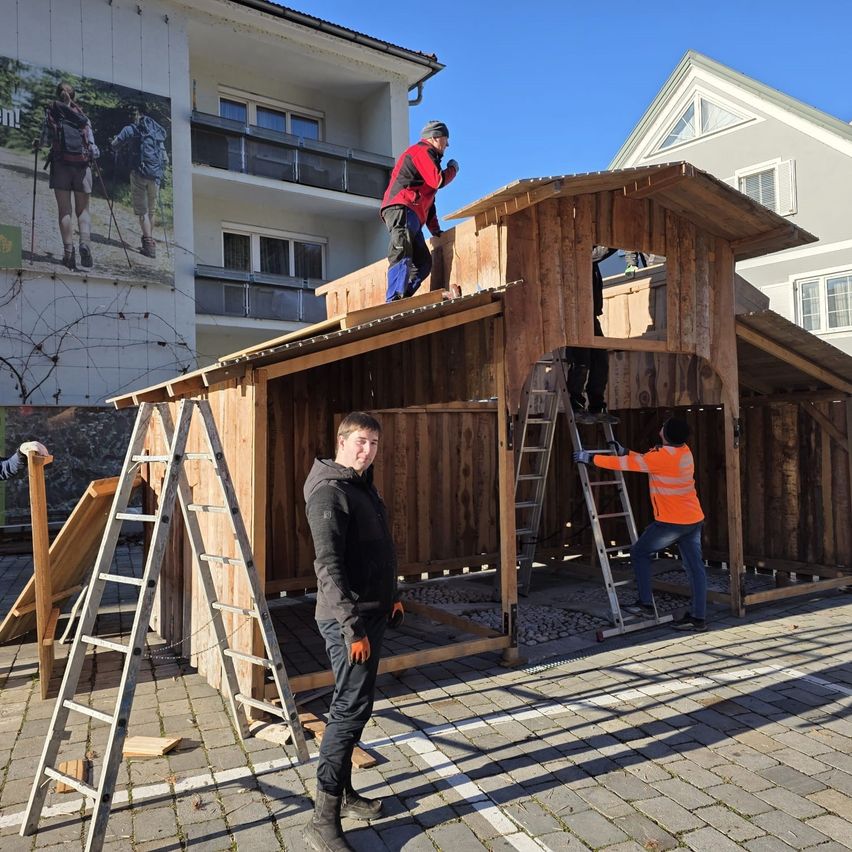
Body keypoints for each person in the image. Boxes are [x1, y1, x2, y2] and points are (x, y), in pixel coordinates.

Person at [303, 412, 404, 852]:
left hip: (372, 612)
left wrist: (391, 594)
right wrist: (352, 627)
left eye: (375, 443)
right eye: (361, 442)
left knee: (357, 706)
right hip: (350, 622)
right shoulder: (330, 492)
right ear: (341, 441)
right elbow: (328, 567)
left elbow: (375, 548)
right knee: (348, 711)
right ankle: (322, 822)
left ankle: (344, 795)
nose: (368, 450)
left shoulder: (360, 484)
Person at [573, 417, 708, 632]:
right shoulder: (684, 452)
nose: (661, 427)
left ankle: (645, 603)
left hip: (672, 523)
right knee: (695, 569)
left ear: (667, 434)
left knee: (639, 552)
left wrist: (591, 458)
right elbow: (646, 461)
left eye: (664, 426)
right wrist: (626, 451)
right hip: (693, 519)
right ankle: (698, 618)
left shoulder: (662, 457)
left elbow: (629, 465)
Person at [380, 120, 459, 302]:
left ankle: (403, 297)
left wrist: (435, 230)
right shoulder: (420, 151)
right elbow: (437, 181)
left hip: (413, 214)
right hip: (402, 207)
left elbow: (429, 202)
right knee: (402, 250)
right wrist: (453, 169)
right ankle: (393, 299)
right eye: (445, 140)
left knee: (423, 263)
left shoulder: (430, 160)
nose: (447, 145)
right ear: (435, 138)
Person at [36, 82, 99, 270]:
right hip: (82, 167)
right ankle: (85, 244)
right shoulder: (82, 116)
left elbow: (45, 141)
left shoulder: (52, 114)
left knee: (65, 211)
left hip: (61, 165)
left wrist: (37, 144)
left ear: (58, 95)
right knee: (83, 211)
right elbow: (94, 148)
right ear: (74, 97)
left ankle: (68, 255)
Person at [567, 245, 618, 424]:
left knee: (600, 360)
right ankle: (575, 406)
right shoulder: (575, 250)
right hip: (574, 313)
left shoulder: (589, 257)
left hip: (590, 313)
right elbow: (599, 253)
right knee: (581, 362)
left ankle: (597, 406)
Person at [110, 107, 169, 259]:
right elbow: (165, 159)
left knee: (142, 211)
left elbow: (115, 145)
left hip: (139, 173)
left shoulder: (130, 129)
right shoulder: (155, 131)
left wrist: (116, 143)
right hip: (155, 176)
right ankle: (148, 237)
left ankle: (149, 245)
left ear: (136, 116)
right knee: (152, 210)